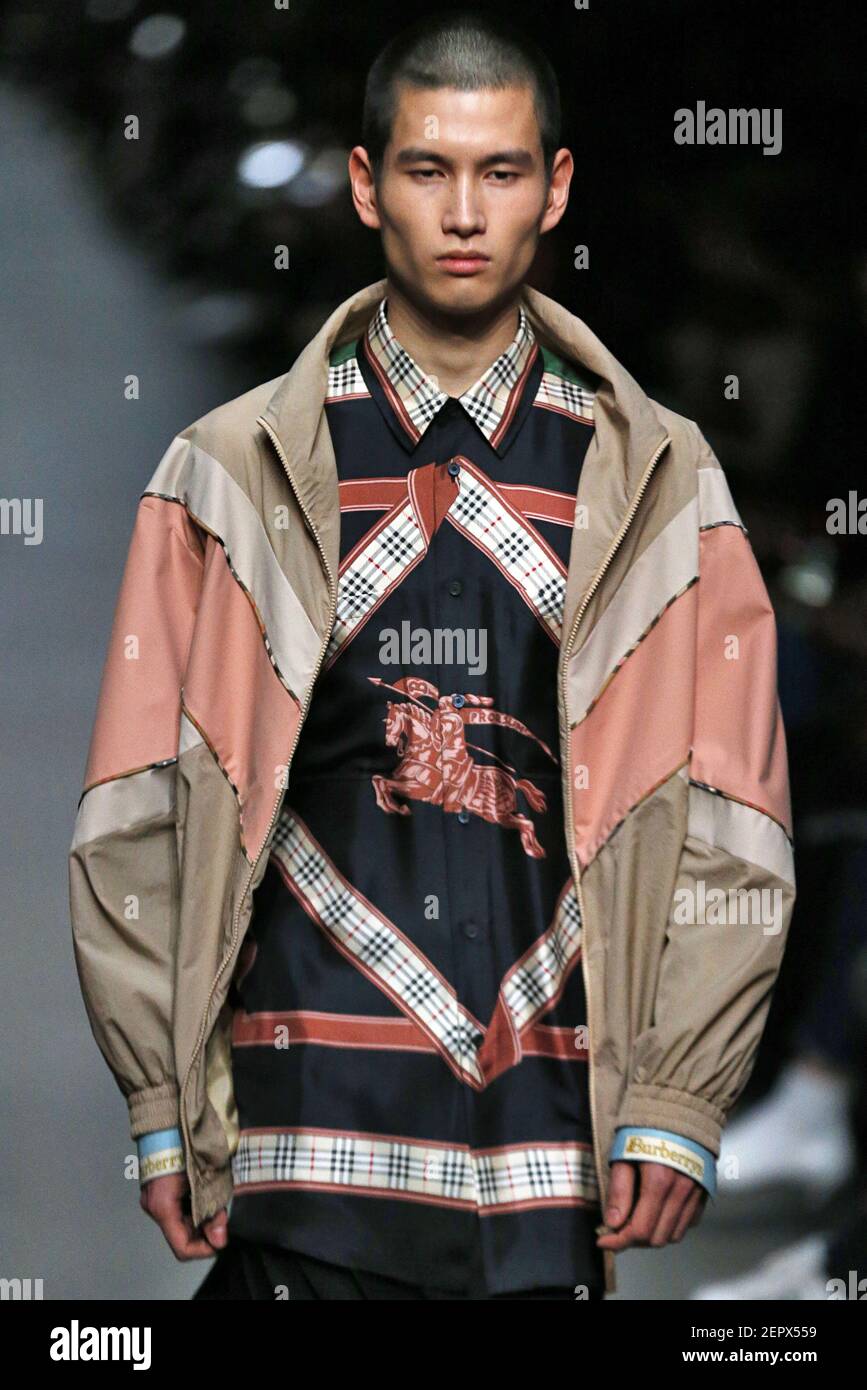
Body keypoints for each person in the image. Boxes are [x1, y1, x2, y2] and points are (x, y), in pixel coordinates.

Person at [68, 9, 796, 1300]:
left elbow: (732, 811)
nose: (466, 212)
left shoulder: (664, 486)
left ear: (555, 190)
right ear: (365, 186)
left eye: (502, 172)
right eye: (428, 169)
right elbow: (137, 810)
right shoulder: (229, 477)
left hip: (547, 1172)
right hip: (306, 1156)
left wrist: (680, 1084)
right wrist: (162, 1091)